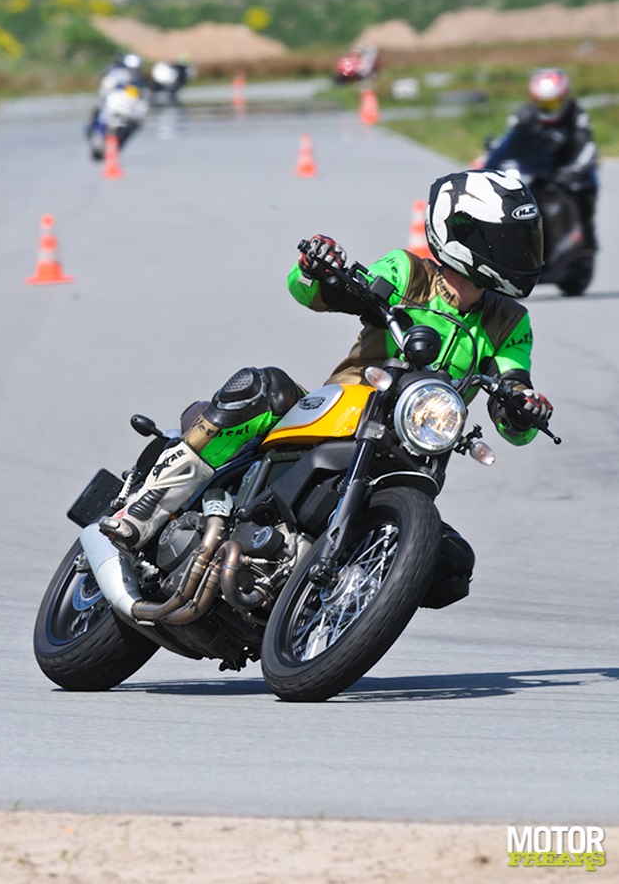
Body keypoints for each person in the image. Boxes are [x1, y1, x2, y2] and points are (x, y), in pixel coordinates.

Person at [99, 169, 553, 606]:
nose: (522, 254)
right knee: (265, 388)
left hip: (418, 443)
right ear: (464, 233)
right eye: (512, 241)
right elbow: (314, 293)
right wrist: (321, 268)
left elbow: (513, 403)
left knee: (449, 563)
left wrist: (525, 407)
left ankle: (333, 604)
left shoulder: (510, 321)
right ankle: (144, 508)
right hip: (348, 408)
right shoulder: (407, 272)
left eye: (525, 243)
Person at [503, 68, 599, 249]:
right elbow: (509, 139)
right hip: (536, 168)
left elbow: (588, 147)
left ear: (564, 99)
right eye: (543, 104)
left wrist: (575, 170)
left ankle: (587, 242)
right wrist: (495, 152)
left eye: (553, 104)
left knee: (584, 192)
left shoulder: (577, 116)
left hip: (569, 170)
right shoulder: (523, 115)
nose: (548, 110)